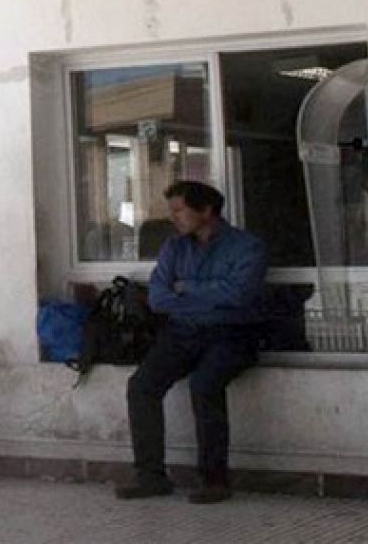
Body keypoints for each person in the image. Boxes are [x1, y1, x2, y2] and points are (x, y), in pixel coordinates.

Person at [115, 181, 267, 505]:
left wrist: (186, 288)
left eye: (179, 211)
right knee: (141, 386)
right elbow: (158, 298)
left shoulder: (246, 246)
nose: (174, 218)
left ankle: (214, 480)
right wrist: (207, 296)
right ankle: (150, 476)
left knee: (204, 384)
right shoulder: (174, 247)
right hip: (183, 331)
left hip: (232, 333)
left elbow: (239, 294)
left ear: (206, 210)